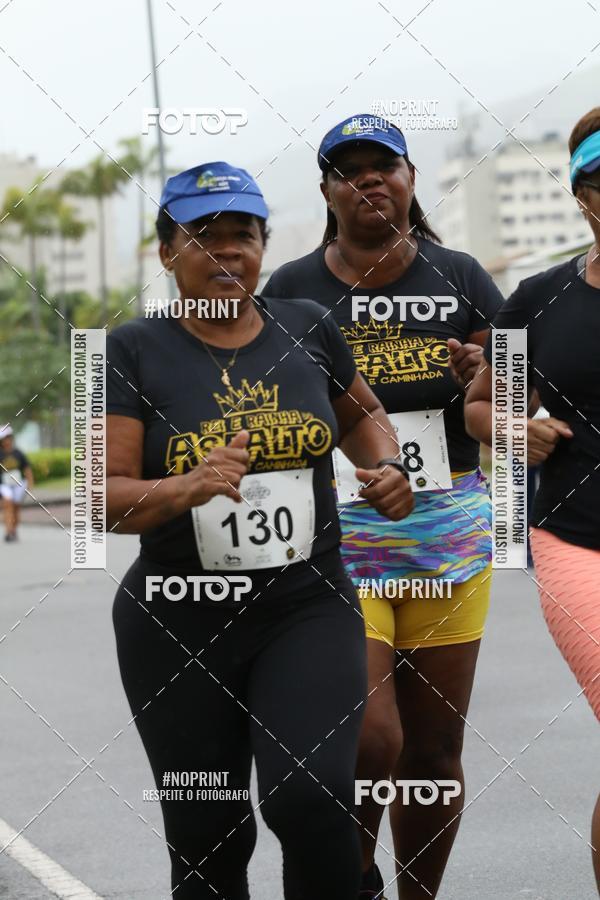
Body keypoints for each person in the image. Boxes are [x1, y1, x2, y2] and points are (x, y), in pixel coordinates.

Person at [107, 161, 415, 899]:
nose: (226, 253)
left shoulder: (306, 325)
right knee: (207, 834)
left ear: (264, 245)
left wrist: (387, 464)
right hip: (176, 619)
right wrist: (187, 485)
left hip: (303, 605)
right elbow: (101, 498)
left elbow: (363, 415)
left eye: (242, 235)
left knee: (308, 798)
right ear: (166, 252)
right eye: (203, 237)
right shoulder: (130, 350)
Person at [262, 114, 504, 899]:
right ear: (327, 191)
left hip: (449, 538)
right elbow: (260, 401)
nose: (367, 180)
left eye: (382, 167)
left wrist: (482, 373)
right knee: (369, 740)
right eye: (347, 170)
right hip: (339, 543)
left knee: (432, 756)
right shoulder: (294, 289)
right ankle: (353, 884)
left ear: (409, 179)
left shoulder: (462, 275)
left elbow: (516, 393)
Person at [465, 107, 600, 894]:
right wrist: (515, 429)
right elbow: (482, 406)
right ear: (582, 195)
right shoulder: (542, 300)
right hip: (578, 540)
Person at [0, 426, 33, 542]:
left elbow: (27, 469)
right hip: (5, 486)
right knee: (8, 504)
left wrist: (30, 484)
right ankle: (8, 531)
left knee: (16, 508)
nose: (7, 441)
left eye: (8, 438)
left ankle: (13, 529)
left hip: (19, 485)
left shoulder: (18, 453)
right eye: (4, 439)